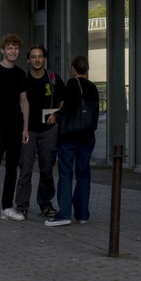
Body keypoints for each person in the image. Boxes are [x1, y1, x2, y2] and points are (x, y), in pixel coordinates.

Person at [0, 34, 30, 221]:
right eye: (9, 48)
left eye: (16, 48)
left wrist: (25, 128)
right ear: (2, 50)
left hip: (16, 127)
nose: (13, 51)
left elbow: (24, 101)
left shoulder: (20, 74)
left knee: (12, 169)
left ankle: (6, 207)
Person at [49, 55, 101, 225]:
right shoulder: (93, 87)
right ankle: (82, 214)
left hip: (71, 135)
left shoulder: (72, 84)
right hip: (88, 135)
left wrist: (55, 115)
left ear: (73, 68)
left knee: (65, 172)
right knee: (83, 173)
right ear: (87, 69)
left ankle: (64, 213)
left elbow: (68, 107)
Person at [15, 45, 63, 221]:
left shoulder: (52, 78)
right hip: (28, 131)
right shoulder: (23, 79)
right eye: (33, 57)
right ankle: (22, 207)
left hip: (48, 131)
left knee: (47, 169)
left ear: (45, 59)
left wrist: (56, 116)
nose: (37, 60)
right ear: (28, 60)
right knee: (25, 169)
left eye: (40, 56)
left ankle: (45, 204)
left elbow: (63, 101)